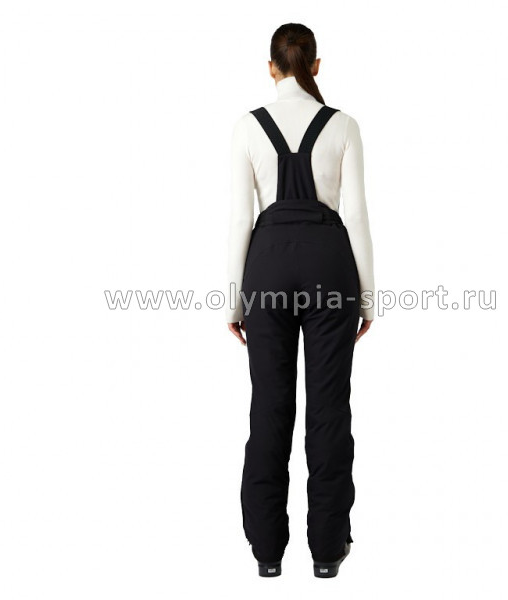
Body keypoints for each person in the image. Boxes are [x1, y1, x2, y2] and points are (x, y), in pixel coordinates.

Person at [225, 22, 375, 578]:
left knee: (269, 407)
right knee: (329, 409)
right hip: (330, 267)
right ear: (315, 66)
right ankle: (327, 552)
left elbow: (240, 218)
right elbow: (355, 215)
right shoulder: (344, 126)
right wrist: (368, 298)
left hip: (266, 267)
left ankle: (267, 552)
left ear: (271, 68)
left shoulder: (247, 127)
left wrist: (232, 301)